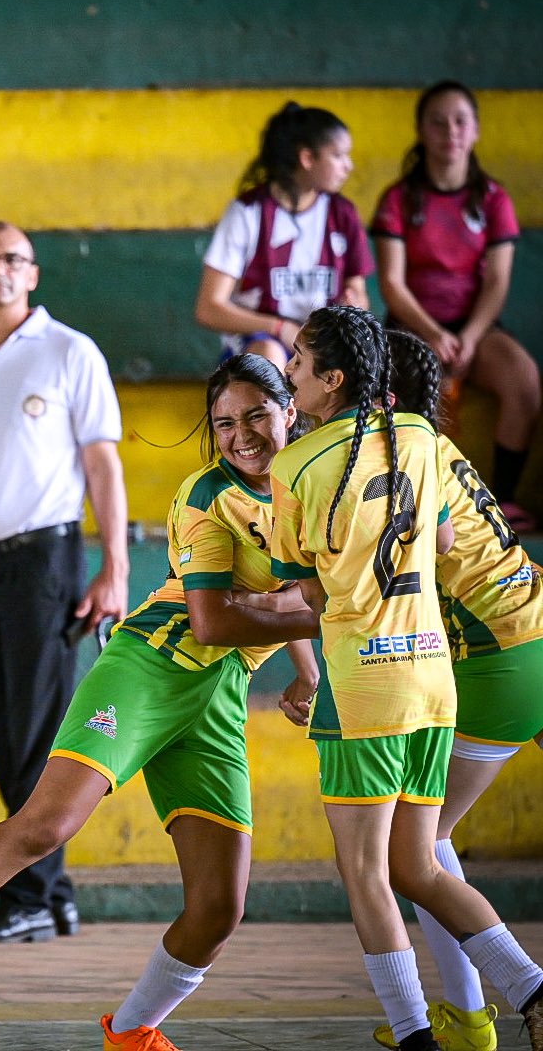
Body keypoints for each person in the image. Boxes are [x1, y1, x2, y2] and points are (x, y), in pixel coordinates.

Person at [0, 353, 321, 1048]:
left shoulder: (309, 490)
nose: (241, 433)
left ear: (290, 412)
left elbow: (289, 590)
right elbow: (224, 618)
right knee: (48, 823)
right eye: (223, 423)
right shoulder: (204, 496)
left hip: (221, 690)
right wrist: (335, 614)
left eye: (255, 415)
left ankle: (132, 1032)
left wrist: (305, 669)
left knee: (219, 906)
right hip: (151, 665)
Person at [268, 305, 543, 1051]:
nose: (288, 372)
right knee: (419, 859)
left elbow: (310, 592)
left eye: (296, 361)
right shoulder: (425, 439)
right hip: (447, 671)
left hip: (403, 676)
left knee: (380, 871)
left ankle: (434, 1026)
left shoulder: (298, 465)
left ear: (335, 378)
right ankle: (509, 999)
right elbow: (447, 539)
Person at [0, 220, 129, 944]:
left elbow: (102, 463)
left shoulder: (69, 351)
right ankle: (52, 894)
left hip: (47, 563)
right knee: (7, 733)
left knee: (37, 738)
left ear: (34, 273)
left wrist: (115, 567)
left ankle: (31, 898)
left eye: (13, 259)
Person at [363, 330, 543, 1051]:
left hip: (503, 662)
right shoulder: (438, 446)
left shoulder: (402, 458)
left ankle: (483, 1011)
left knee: (419, 851)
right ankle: (468, 1014)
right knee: (427, 844)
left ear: (382, 397)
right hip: (521, 638)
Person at [371, 80, 541, 533]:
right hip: (411, 329)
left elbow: (498, 279)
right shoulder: (398, 199)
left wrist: (466, 337)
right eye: (438, 122)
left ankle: (501, 498)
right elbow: (391, 282)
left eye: (460, 121)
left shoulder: (492, 199)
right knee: (413, 401)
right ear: (421, 131)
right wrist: (433, 334)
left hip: (476, 330)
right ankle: (428, 506)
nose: (450, 131)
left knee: (524, 381)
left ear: (476, 131)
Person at [195, 101, 373, 370]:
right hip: (260, 340)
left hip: (323, 344)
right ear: (307, 159)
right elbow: (208, 308)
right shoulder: (248, 212)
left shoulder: (343, 213)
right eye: (338, 156)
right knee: (270, 356)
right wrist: (279, 327)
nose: (348, 166)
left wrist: (354, 303)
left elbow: (358, 292)